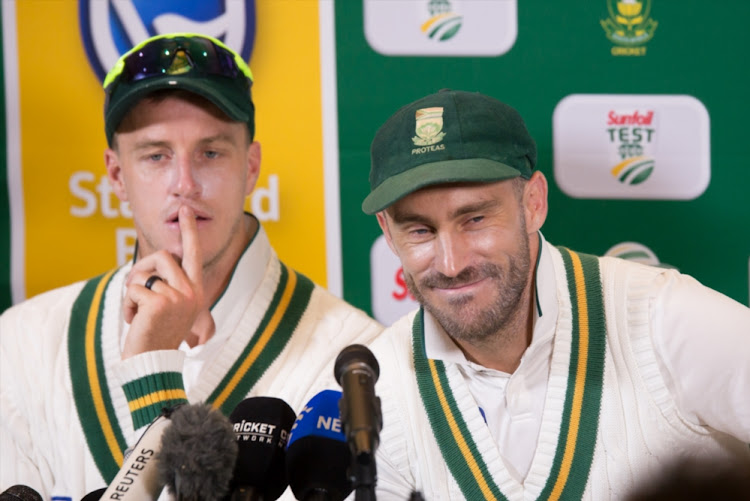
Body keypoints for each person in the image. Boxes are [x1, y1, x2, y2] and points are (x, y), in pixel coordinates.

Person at [0, 33, 383, 500]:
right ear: (116, 175)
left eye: (211, 152)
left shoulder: (354, 358)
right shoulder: (21, 344)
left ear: (251, 167)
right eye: (156, 155)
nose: (185, 184)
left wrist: (153, 376)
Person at [356, 89, 750, 500]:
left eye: (474, 219)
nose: (451, 263)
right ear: (387, 231)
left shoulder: (663, 319)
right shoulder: (371, 391)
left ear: (533, 203)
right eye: (420, 231)